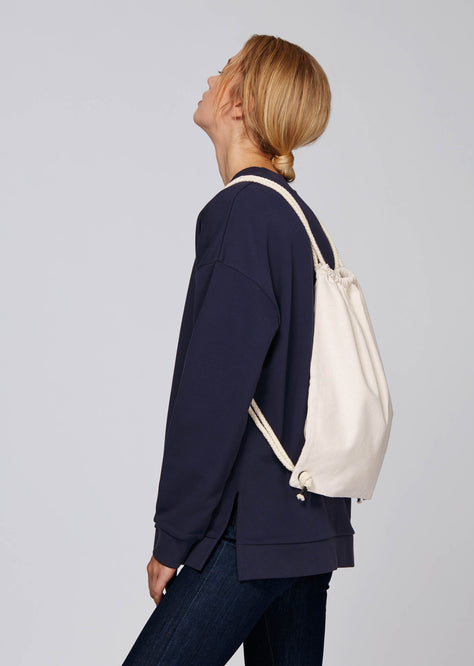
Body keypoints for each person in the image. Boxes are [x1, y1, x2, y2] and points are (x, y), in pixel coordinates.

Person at [122, 34, 355, 665]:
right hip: (308, 524)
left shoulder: (241, 214)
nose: (210, 77)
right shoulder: (300, 221)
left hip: (247, 528)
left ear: (239, 102)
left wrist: (173, 536)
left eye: (224, 69)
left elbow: (212, 395)